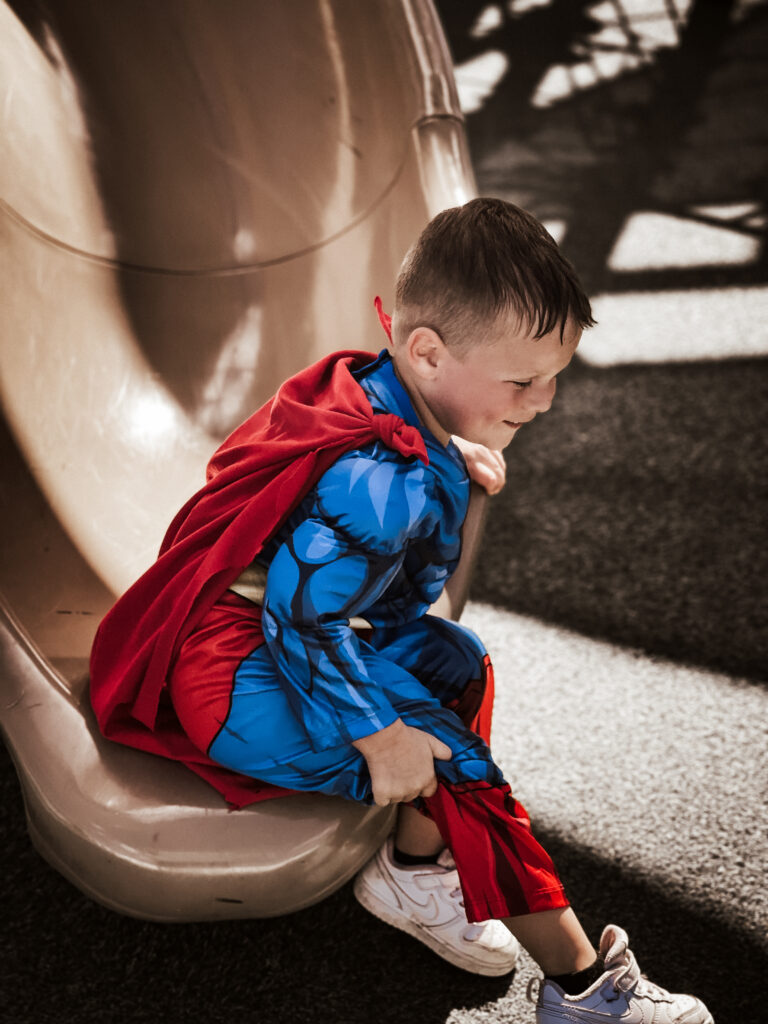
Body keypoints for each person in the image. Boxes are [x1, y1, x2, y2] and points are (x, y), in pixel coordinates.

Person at [90, 199, 713, 1023]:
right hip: (231, 676)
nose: (548, 398)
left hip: (264, 637)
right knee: (453, 758)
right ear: (426, 352)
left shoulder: (381, 390)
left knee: (459, 662)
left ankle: (413, 879)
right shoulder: (383, 478)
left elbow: (390, 588)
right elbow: (302, 620)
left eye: (555, 373)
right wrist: (381, 737)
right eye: (524, 379)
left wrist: (457, 466)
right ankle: (583, 988)